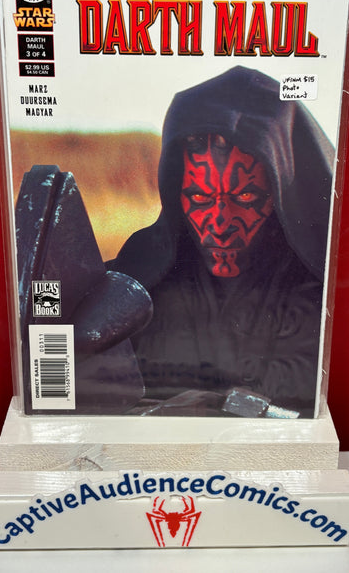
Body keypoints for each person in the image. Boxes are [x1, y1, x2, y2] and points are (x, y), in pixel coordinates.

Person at [110, 66, 334, 417]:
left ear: (282, 197)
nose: (220, 223)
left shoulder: (322, 296)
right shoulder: (134, 283)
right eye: (199, 198)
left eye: (245, 197)